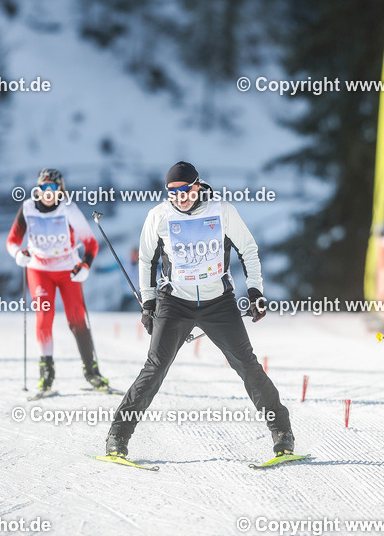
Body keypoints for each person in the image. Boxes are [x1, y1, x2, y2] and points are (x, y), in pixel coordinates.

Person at [105, 161, 293, 459]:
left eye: (184, 190)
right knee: (154, 368)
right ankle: (118, 435)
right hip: (175, 302)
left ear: (197, 185)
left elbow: (248, 249)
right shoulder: (159, 215)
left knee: (246, 364)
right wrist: (149, 301)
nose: (179, 197)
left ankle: (282, 432)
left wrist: (255, 290)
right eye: (172, 192)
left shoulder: (222, 210)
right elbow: (146, 260)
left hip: (218, 302)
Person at [6, 168, 114, 397]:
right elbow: (12, 241)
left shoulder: (69, 209)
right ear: (38, 188)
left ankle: (91, 372)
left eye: (53, 188)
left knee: (77, 320)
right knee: (44, 317)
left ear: (60, 189)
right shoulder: (27, 208)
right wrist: (18, 254)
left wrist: (85, 266)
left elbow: (91, 244)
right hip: (39, 270)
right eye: (44, 188)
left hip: (67, 271)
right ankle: (46, 373)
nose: (48, 192)